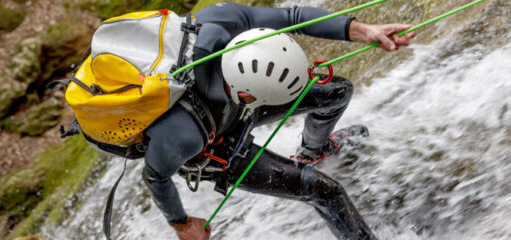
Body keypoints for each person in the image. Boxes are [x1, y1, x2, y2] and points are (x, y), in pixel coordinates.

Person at [141, 3, 416, 240]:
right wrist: (182, 223)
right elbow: (155, 176)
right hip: (217, 146)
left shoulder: (225, 21)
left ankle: (312, 153)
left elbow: (294, 18)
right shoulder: (182, 134)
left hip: (237, 101)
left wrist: (364, 30)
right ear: (249, 96)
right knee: (327, 191)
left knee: (338, 91)